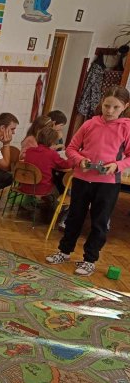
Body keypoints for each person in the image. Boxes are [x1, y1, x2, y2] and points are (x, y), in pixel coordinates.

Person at [46, 86, 130, 276]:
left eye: (115, 107)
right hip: (82, 179)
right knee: (74, 217)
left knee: (100, 222)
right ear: (101, 102)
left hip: (108, 183)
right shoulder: (90, 124)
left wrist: (117, 165)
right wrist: (80, 160)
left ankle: (89, 260)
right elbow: (71, 148)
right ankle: (64, 252)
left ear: (125, 106)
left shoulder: (127, 128)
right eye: (106, 106)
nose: (109, 111)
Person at [18, 126, 70, 197]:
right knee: (60, 181)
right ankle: (58, 202)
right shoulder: (52, 154)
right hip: (41, 189)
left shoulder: (29, 151)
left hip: (25, 186)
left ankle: (41, 201)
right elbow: (66, 165)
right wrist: (72, 157)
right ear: (52, 141)